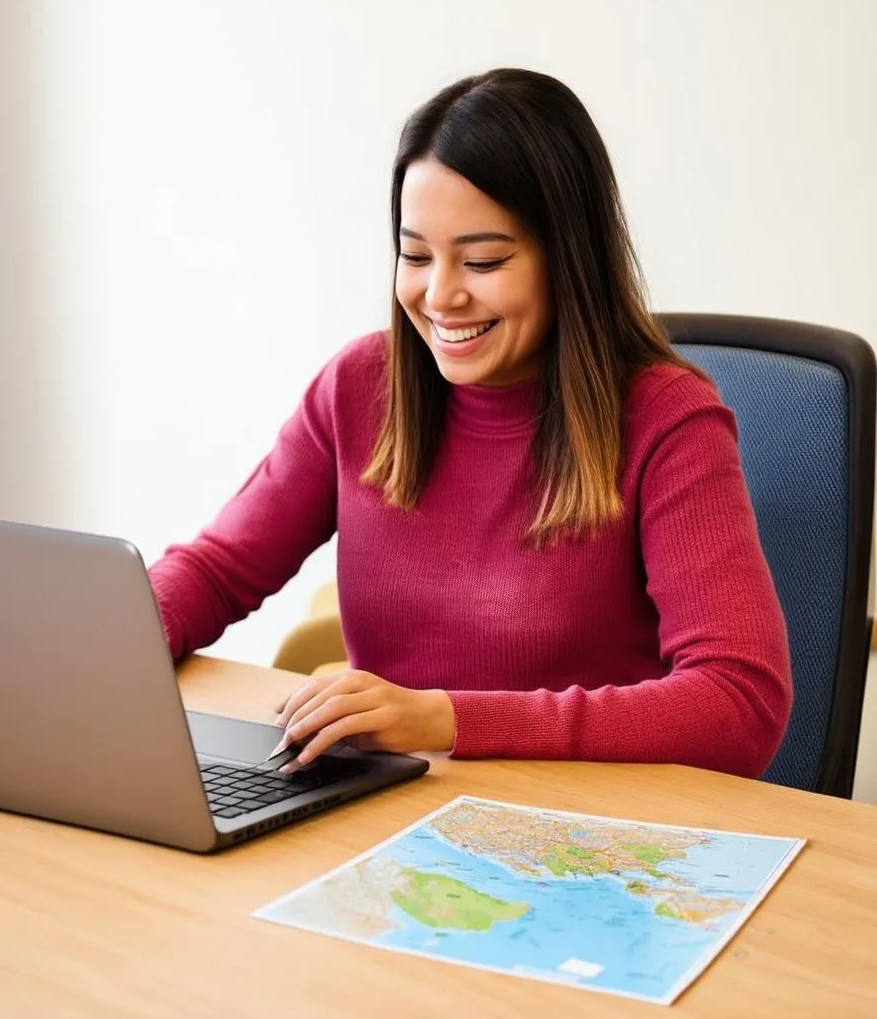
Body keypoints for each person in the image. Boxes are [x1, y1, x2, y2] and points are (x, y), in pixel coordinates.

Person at [148, 68, 792, 779]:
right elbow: (217, 570)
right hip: (401, 818)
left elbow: (739, 705)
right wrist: (101, 635)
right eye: (415, 255)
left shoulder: (668, 422)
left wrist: (447, 719)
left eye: (483, 260)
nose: (441, 295)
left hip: (592, 836)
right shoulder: (360, 387)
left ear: (568, 258)